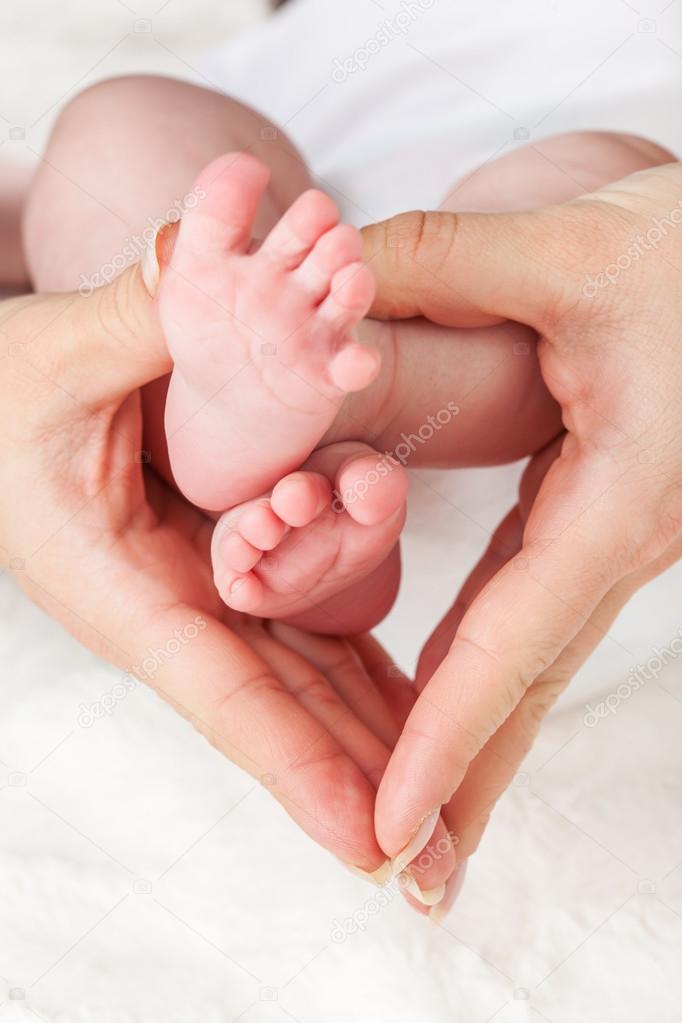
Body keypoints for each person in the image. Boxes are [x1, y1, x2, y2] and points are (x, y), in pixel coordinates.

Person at [4, 65, 677, 911]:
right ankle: (323, 416)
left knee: (116, 132)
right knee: (124, 142)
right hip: (489, 345)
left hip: (599, 347)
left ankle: (285, 408)